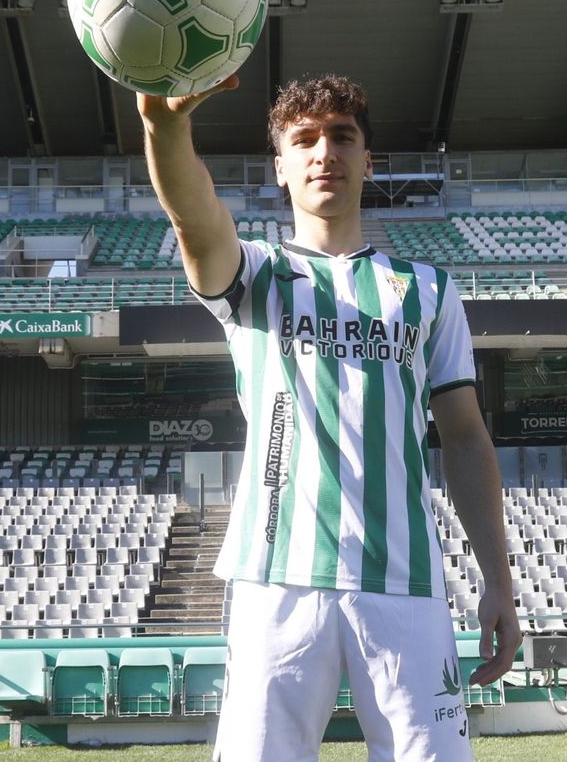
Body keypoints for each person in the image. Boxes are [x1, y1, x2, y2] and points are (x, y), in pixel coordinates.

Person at [138, 72, 519, 761]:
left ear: (368, 161)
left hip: (406, 584)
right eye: (304, 139)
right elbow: (195, 218)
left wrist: (499, 581)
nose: (324, 153)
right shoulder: (255, 275)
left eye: (343, 137)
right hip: (275, 581)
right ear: (279, 168)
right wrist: (167, 129)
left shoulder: (428, 290)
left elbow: (465, 438)